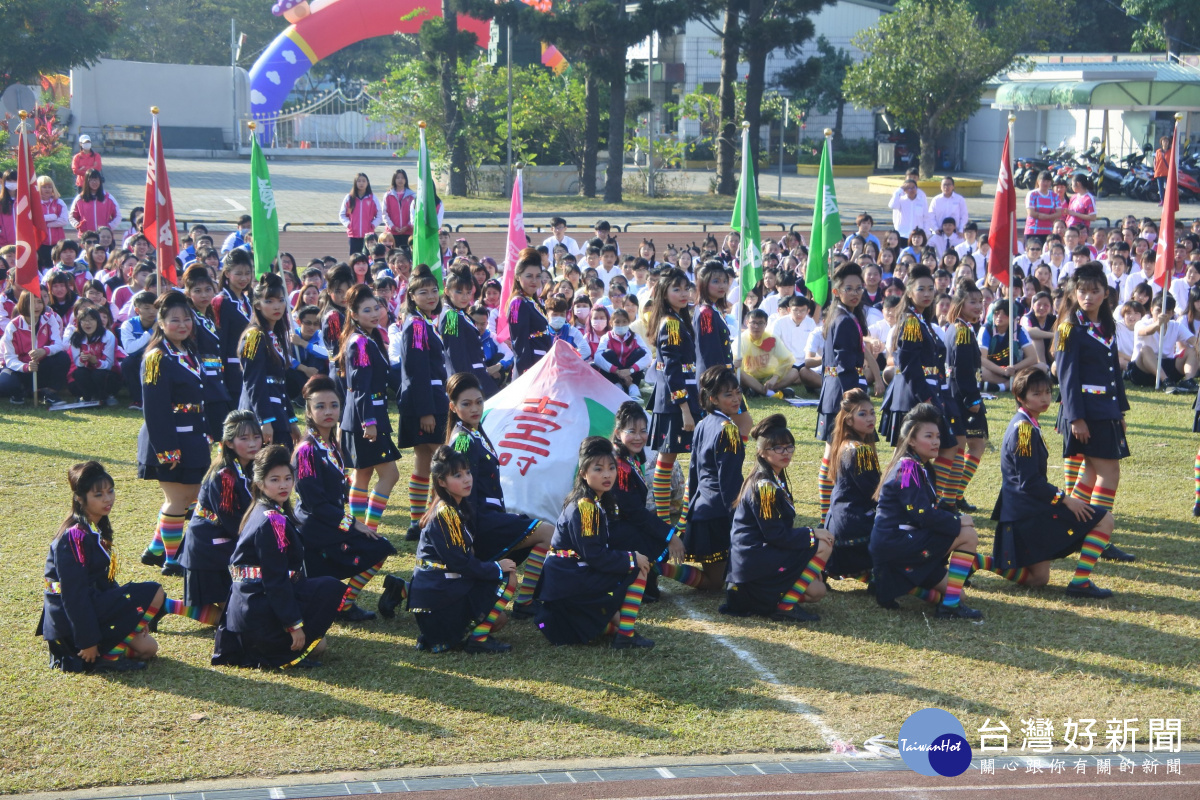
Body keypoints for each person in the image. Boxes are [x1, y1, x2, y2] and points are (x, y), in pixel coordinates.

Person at [213, 445, 345, 669]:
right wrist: (294, 625)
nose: (283, 485)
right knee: (330, 589)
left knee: (320, 638)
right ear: (260, 483)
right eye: (274, 479)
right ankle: (277, 650)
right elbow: (275, 579)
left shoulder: (260, 509)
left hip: (248, 613)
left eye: (287, 478)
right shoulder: (272, 520)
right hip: (257, 618)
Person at [987, 367, 1115, 599]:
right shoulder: (1024, 429)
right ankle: (1080, 583)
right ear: (1020, 397)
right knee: (1105, 519)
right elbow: (1029, 482)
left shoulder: (1027, 422)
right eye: (1036, 394)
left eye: (1047, 392)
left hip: (1022, 510)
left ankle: (975, 561)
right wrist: (1066, 500)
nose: (1045, 398)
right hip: (1027, 514)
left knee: (1039, 579)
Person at [444, 372, 553, 616]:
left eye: (479, 401)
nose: (475, 408)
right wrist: (467, 534)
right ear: (453, 407)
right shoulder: (463, 440)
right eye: (466, 403)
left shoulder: (475, 432)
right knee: (547, 533)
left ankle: (524, 600)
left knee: (538, 533)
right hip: (480, 520)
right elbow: (463, 492)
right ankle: (524, 602)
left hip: (490, 515)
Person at [40, 461, 164, 672]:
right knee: (154, 591)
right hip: (71, 623)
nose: (108, 499)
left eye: (110, 491)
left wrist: (135, 619)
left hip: (91, 603)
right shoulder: (74, 536)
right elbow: (73, 595)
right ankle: (101, 658)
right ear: (80, 498)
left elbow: (102, 580)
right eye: (98, 495)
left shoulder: (93, 527)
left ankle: (107, 652)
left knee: (149, 648)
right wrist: (87, 641)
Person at [535, 437, 655, 650]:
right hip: (569, 580)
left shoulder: (595, 501)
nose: (607, 474)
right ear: (583, 473)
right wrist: (631, 558)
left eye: (611, 468)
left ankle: (611, 625)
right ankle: (625, 636)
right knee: (637, 568)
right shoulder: (587, 507)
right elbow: (595, 555)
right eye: (598, 469)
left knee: (609, 620)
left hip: (567, 577)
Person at [295, 374, 397, 623]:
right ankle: (342, 604)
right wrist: (352, 523)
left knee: (379, 546)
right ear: (308, 410)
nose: (328, 411)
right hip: (315, 526)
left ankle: (343, 603)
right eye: (320, 406)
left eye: (334, 405)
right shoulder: (307, 450)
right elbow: (315, 504)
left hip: (329, 520)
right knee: (379, 547)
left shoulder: (330, 443)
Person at [869, 404, 983, 620]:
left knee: (960, 593)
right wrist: (958, 521)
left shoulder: (919, 465)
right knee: (968, 535)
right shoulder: (908, 468)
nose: (936, 442)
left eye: (937, 436)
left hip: (900, 542)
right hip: (897, 543)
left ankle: (893, 583)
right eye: (928, 436)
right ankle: (948, 608)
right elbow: (921, 514)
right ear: (911, 440)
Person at [1056, 263, 1135, 562]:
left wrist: (1120, 411)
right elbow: (1066, 377)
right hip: (1086, 412)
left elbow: (1113, 371)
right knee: (1108, 472)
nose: (1088, 297)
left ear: (1105, 294)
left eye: (1094, 291)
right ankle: (1099, 535)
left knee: (1090, 472)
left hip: (1106, 410)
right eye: (1082, 291)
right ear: (1075, 294)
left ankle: (1073, 530)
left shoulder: (1107, 325)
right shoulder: (1068, 328)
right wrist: (1076, 417)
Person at [720, 414, 833, 622]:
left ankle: (779, 598)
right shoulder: (764, 486)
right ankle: (785, 607)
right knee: (823, 544)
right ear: (762, 452)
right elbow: (775, 535)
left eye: (789, 446)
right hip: (753, 566)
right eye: (778, 448)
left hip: (757, 558)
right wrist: (811, 533)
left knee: (817, 591)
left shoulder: (774, 477)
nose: (786, 452)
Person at [408, 444, 517, 653]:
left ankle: (441, 634)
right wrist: (496, 568)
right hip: (438, 599)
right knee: (508, 576)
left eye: (467, 472)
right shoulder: (446, 513)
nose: (467, 479)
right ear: (441, 482)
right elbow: (460, 562)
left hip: (439, 593)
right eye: (457, 475)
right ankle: (476, 640)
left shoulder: (454, 507)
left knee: (499, 619)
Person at [137, 292, 211, 577]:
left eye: (187, 319)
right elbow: (155, 409)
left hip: (193, 436)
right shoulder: (156, 357)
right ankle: (171, 559)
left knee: (190, 495)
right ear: (161, 322)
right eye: (175, 320)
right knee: (178, 499)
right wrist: (166, 449)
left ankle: (157, 548)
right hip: (169, 439)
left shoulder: (187, 351)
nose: (183, 324)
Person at [878, 266, 963, 507]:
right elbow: (907, 364)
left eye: (930, 289)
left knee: (918, 453)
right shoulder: (912, 321)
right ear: (909, 292)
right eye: (921, 289)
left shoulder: (922, 319)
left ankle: (922, 500)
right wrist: (926, 398)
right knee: (909, 455)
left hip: (925, 393)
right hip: (913, 397)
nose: (927, 293)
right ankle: (894, 501)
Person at [609, 401, 705, 598]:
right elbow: (635, 513)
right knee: (667, 540)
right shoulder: (619, 466)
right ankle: (638, 576)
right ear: (618, 433)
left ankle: (647, 576)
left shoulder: (629, 456)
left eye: (643, 431)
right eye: (632, 431)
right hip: (615, 532)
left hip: (626, 525)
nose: (638, 437)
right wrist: (669, 536)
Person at [180, 410, 261, 611]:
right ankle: (167, 606)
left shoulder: (252, 467)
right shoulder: (224, 475)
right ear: (229, 443)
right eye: (244, 438)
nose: (252, 443)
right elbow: (232, 520)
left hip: (230, 542)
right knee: (234, 614)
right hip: (210, 551)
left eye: (256, 437)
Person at [816, 264, 875, 524]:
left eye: (859, 288)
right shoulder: (843, 319)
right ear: (836, 291)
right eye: (848, 288)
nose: (855, 293)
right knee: (832, 455)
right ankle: (824, 516)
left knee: (837, 452)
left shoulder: (844, 316)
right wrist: (856, 397)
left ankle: (827, 514)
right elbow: (843, 364)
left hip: (836, 390)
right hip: (841, 393)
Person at [398, 265, 450, 541]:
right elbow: (417, 370)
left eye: (433, 290)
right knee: (444, 459)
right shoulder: (417, 325)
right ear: (412, 295)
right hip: (427, 402)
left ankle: (418, 521)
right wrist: (426, 411)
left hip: (426, 399)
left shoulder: (424, 321)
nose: (430, 295)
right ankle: (428, 517)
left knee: (423, 461)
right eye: (423, 291)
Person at [682, 366, 745, 589]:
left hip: (701, 511)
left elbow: (694, 472)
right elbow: (730, 483)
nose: (736, 398)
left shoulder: (702, 423)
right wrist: (738, 519)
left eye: (737, 392)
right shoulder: (729, 429)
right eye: (728, 395)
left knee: (720, 578)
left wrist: (690, 509)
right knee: (716, 583)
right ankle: (659, 568)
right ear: (713, 399)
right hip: (717, 516)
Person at [647, 268, 700, 522]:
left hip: (681, 399)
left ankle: (676, 517)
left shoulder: (679, 319)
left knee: (672, 459)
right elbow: (671, 371)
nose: (683, 294)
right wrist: (685, 408)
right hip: (675, 403)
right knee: (666, 461)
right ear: (664, 293)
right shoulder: (670, 323)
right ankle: (667, 521)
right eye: (676, 289)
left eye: (686, 288)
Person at [823, 389, 880, 583]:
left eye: (872, 412)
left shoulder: (844, 444)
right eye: (862, 414)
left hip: (838, 522)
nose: (870, 418)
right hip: (853, 526)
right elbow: (876, 494)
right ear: (848, 420)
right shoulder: (860, 451)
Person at [239, 273, 301, 450]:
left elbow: (280, 384)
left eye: (281, 300)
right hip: (262, 416)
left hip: (278, 413)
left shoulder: (275, 336)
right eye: (269, 301)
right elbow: (254, 382)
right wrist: (264, 420)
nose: (277, 306)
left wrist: (291, 420)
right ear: (257, 305)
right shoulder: (254, 336)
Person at [942, 282, 988, 513]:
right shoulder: (960, 330)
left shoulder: (963, 328)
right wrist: (973, 401)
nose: (979, 306)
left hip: (961, 396)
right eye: (973, 302)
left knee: (974, 446)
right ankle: (951, 496)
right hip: (962, 399)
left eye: (980, 301)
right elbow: (961, 370)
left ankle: (955, 494)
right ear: (959, 305)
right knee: (963, 449)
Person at [183, 265, 233, 440]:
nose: (204, 295)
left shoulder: (209, 318)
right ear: (188, 293)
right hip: (205, 383)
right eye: (197, 291)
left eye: (208, 290)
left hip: (217, 382)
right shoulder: (191, 319)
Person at [441, 266, 500, 397]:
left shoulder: (460, 313)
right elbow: (455, 354)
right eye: (459, 292)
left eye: (468, 292)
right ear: (447, 291)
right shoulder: (451, 316)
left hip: (478, 375)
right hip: (468, 379)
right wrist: (464, 385)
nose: (465, 297)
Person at [211, 249, 255, 402]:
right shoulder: (221, 301)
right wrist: (221, 374)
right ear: (227, 273)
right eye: (238, 273)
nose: (244, 278)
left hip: (249, 365)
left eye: (247, 273)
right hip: (231, 368)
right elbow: (220, 340)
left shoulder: (248, 300)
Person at [506, 247, 553, 376]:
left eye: (538, 276)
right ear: (517, 277)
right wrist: (526, 373)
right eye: (529, 276)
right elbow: (519, 343)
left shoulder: (532, 301)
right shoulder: (517, 303)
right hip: (530, 369)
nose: (534, 281)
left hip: (541, 365)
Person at [66, 307, 117, 404]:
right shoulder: (76, 337)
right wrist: (82, 360)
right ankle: (88, 397)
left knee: (98, 374)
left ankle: (104, 396)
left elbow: (110, 364)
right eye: (84, 320)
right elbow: (77, 364)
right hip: (86, 371)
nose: (87, 323)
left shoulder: (108, 336)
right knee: (79, 373)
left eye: (91, 320)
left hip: (105, 373)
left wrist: (96, 362)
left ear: (98, 321)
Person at [339, 173, 382, 256]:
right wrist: (349, 224)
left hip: (368, 236)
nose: (361, 183)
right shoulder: (349, 198)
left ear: (368, 183)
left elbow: (379, 214)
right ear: (355, 183)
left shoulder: (372, 198)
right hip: (353, 235)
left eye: (363, 181)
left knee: (368, 257)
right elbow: (342, 215)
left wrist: (373, 225)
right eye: (359, 181)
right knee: (354, 258)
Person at [69, 170, 120, 235]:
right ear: (87, 182)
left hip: (103, 237)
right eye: (91, 180)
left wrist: (109, 227)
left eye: (96, 179)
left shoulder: (109, 198)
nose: (94, 182)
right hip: (86, 237)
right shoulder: (79, 198)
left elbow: (118, 215)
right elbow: (72, 216)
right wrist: (78, 225)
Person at [384, 169, 415, 251]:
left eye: (402, 178)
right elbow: (384, 214)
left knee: (407, 255)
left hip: (408, 232)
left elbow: (415, 213)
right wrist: (393, 227)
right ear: (394, 179)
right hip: (392, 233)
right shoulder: (388, 195)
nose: (400, 180)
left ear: (406, 179)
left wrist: (407, 226)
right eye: (398, 178)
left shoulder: (412, 196)